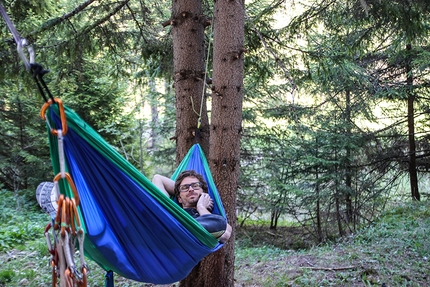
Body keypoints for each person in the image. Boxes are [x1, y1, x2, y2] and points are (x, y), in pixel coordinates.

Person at [152, 170, 232, 243]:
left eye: (195, 185)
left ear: (204, 194)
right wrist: (180, 190)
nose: (190, 189)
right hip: (173, 230)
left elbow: (226, 234)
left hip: (186, 237)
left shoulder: (213, 217)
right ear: (179, 199)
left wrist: (201, 207)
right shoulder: (173, 213)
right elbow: (158, 178)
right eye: (185, 187)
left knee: (220, 223)